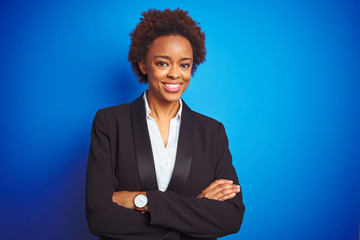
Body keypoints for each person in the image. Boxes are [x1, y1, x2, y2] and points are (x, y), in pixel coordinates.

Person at [86, 8, 245, 240]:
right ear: (143, 64)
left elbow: (231, 216)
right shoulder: (110, 123)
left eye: (184, 65)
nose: (174, 74)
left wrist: (142, 201)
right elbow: (99, 216)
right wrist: (194, 209)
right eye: (162, 63)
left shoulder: (212, 132)